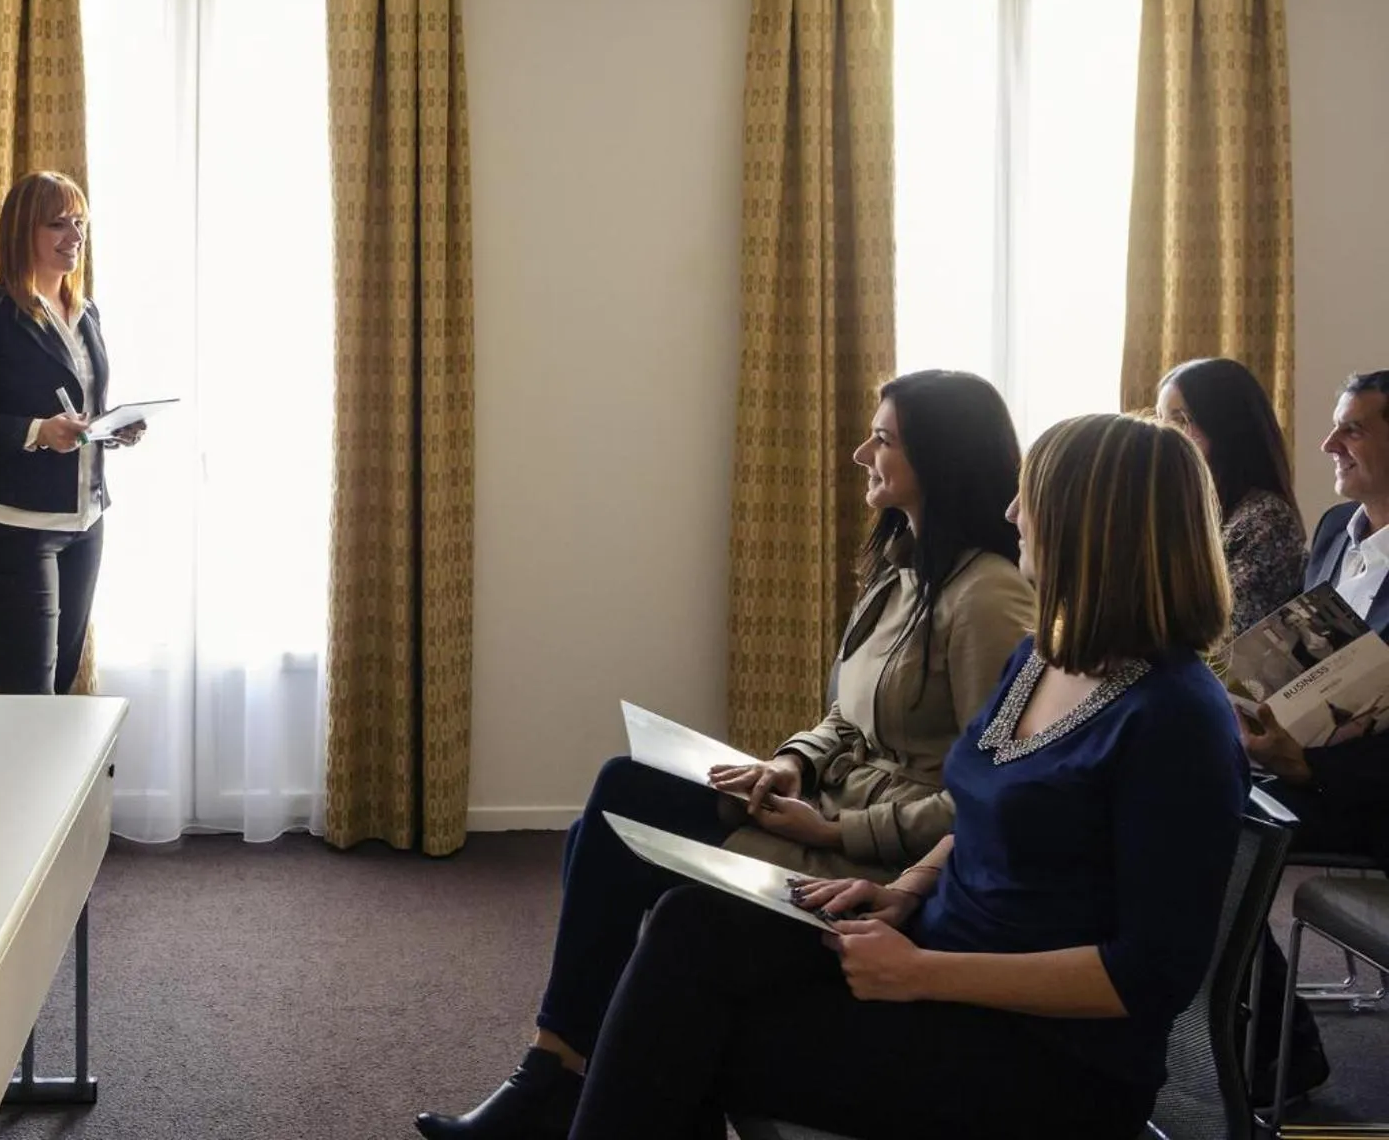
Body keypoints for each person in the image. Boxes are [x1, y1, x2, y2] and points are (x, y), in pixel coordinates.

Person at [559, 413, 1246, 1140]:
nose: (1012, 512)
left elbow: (1147, 975)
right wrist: (905, 891)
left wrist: (921, 972)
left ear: (1092, 528)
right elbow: (983, 816)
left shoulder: (1176, 720)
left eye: (1032, 497)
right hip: (943, 958)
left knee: (682, 1029)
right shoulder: (1042, 658)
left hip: (1047, 1056)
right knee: (691, 926)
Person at [414, 370, 1035, 1140]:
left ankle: (559, 1080)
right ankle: (557, 1071)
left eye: (883, 439)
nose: (859, 453)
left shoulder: (988, 600)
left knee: (614, 852)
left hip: (870, 859)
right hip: (823, 809)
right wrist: (791, 764)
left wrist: (834, 831)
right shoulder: (902, 571)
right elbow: (844, 719)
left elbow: (987, 799)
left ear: (942, 457)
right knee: (621, 792)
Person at [0, 171, 142, 695]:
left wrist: (108, 428)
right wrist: (37, 432)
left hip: (85, 521)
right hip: (13, 529)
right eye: (58, 224)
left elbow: (79, 406)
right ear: (23, 231)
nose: (75, 236)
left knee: (60, 687)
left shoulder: (86, 313)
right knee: (29, 694)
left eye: (80, 223)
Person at [1239, 370, 1389, 862]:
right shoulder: (1333, 528)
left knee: (1204, 819)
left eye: (1353, 430)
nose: (1328, 445)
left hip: (1365, 796)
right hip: (1296, 764)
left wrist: (1309, 767)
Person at [1157, 357, 1307, 637]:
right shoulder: (1181, 512)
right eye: (1162, 421)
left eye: (1180, 420)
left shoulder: (1265, 519)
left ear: (1224, 427)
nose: (1164, 438)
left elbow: (1224, 633)